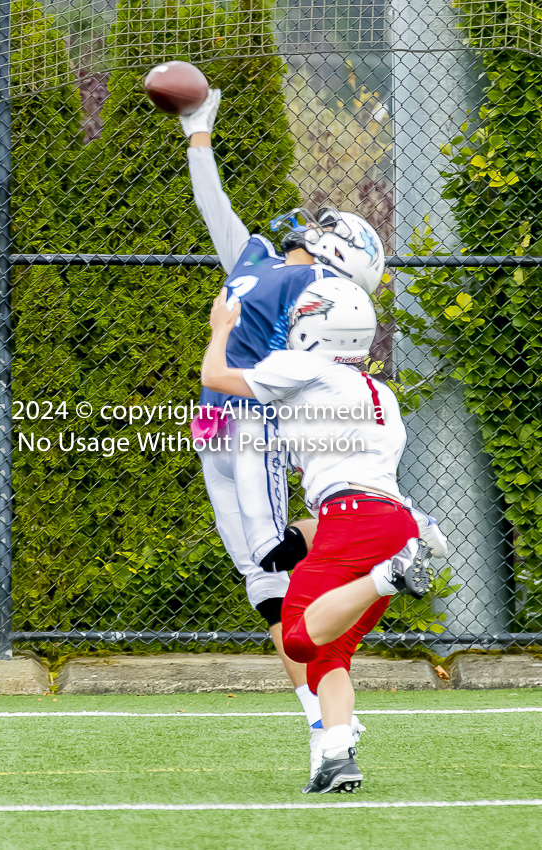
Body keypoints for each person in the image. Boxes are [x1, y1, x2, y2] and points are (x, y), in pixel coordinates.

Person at [181, 89, 385, 766]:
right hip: (217, 426)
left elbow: (314, 375)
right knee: (263, 584)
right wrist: (198, 131)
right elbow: (217, 212)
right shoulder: (259, 258)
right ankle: (324, 728)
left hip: (253, 424)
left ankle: (389, 551)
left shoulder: (307, 294)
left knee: (272, 558)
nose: (311, 223)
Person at [200, 280, 448, 794]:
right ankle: (337, 754)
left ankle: (388, 578)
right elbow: (343, 493)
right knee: (328, 654)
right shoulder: (380, 394)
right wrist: (292, 540)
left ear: (314, 328)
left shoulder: (308, 368)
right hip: (389, 520)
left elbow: (216, 376)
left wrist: (220, 328)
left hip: (356, 520)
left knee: (296, 635)